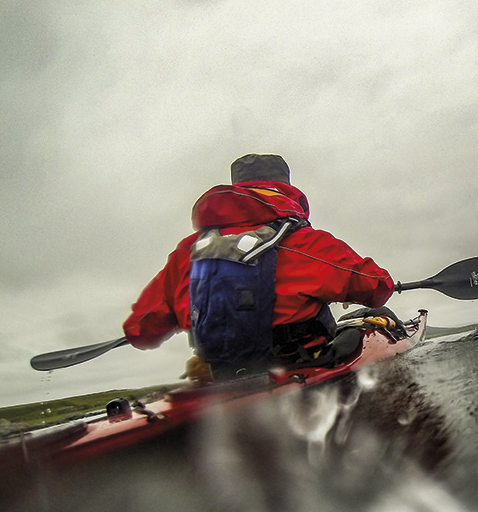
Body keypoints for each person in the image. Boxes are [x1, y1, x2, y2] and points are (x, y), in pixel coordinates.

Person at [123, 153, 395, 378]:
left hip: (224, 377)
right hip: (302, 368)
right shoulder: (305, 241)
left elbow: (140, 331)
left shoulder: (186, 252)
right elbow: (377, 287)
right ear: (286, 188)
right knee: (379, 313)